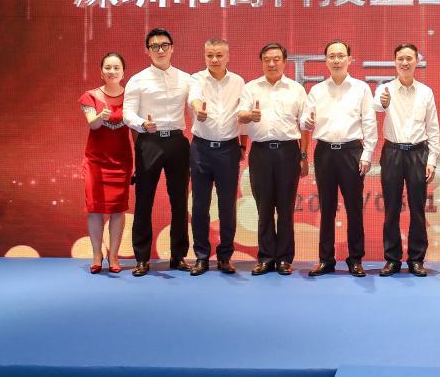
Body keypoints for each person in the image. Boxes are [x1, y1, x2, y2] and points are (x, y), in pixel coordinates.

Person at [302, 40, 378, 277]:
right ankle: (326, 260)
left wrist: (367, 154)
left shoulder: (361, 88)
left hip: (351, 152)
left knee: (354, 208)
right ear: (325, 61)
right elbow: (304, 120)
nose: (336, 60)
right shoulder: (316, 90)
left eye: (341, 56)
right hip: (324, 152)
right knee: (326, 209)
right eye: (332, 56)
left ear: (349, 59)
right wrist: (307, 122)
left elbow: (369, 123)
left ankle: (355, 260)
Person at [123, 28, 192, 277]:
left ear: (172, 48)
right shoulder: (137, 80)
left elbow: (195, 108)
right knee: (144, 200)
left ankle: (178, 256)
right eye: (155, 46)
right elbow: (127, 113)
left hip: (177, 142)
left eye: (164, 45)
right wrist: (142, 123)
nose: (160, 50)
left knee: (180, 201)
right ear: (147, 51)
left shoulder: (186, 79)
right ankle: (142, 258)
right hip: (149, 142)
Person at [238, 43, 309, 276]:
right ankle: (266, 257)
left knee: (286, 208)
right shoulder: (251, 88)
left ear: (284, 61)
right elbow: (240, 115)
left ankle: (285, 259)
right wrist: (249, 115)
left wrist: (303, 155)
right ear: (261, 61)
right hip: (260, 152)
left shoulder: (296, 89)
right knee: (264, 207)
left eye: (276, 59)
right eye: (267, 59)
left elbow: (304, 125)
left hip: (288, 152)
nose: (271, 63)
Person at [373, 43, 440, 277]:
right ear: (395, 61)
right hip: (392, 152)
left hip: (418, 153)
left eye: (409, 58)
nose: (404, 63)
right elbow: (376, 107)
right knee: (391, 209)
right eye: (400, 58)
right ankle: (392, 259)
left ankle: (416, 259)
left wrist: (432, 159)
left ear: (416, 61)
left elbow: (433, 128)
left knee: (417, 209)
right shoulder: (384, 89)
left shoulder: (426, 92)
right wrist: (382, 103)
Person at [187, 39, 246, 276]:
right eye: (209, 55)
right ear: (204, 56)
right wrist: (198, 109)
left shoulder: (238, 81)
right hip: (201, 149)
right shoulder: (197, 78)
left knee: (227, 206)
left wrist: (243, 145)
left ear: (228, 56)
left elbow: (242, 115)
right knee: (200, 205)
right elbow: (194, 98)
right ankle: (201, 256)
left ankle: (225, 256)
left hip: (228, 150)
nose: (214, 59)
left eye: (219, 55)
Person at [78, 52, 133, 274]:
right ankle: (96, 254)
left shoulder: (131, 97)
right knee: (94, 209)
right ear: (101, 72)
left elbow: (135, 131)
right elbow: (93, 125)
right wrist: (101, 116)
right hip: (95, 162)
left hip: (121, 161)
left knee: (118, 210)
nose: (112, 71)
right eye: (107, 68)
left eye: (116, 68)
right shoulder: (90, 96)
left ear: (123, 72)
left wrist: (139, 160)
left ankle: (113, 256)